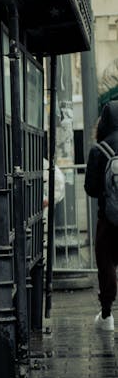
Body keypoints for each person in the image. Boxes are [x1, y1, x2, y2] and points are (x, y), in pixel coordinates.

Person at [84, 100, 118, 331]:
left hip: (108, 220)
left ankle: (107, 314)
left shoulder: (99, 150)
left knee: (106, 263)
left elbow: (91, 189)